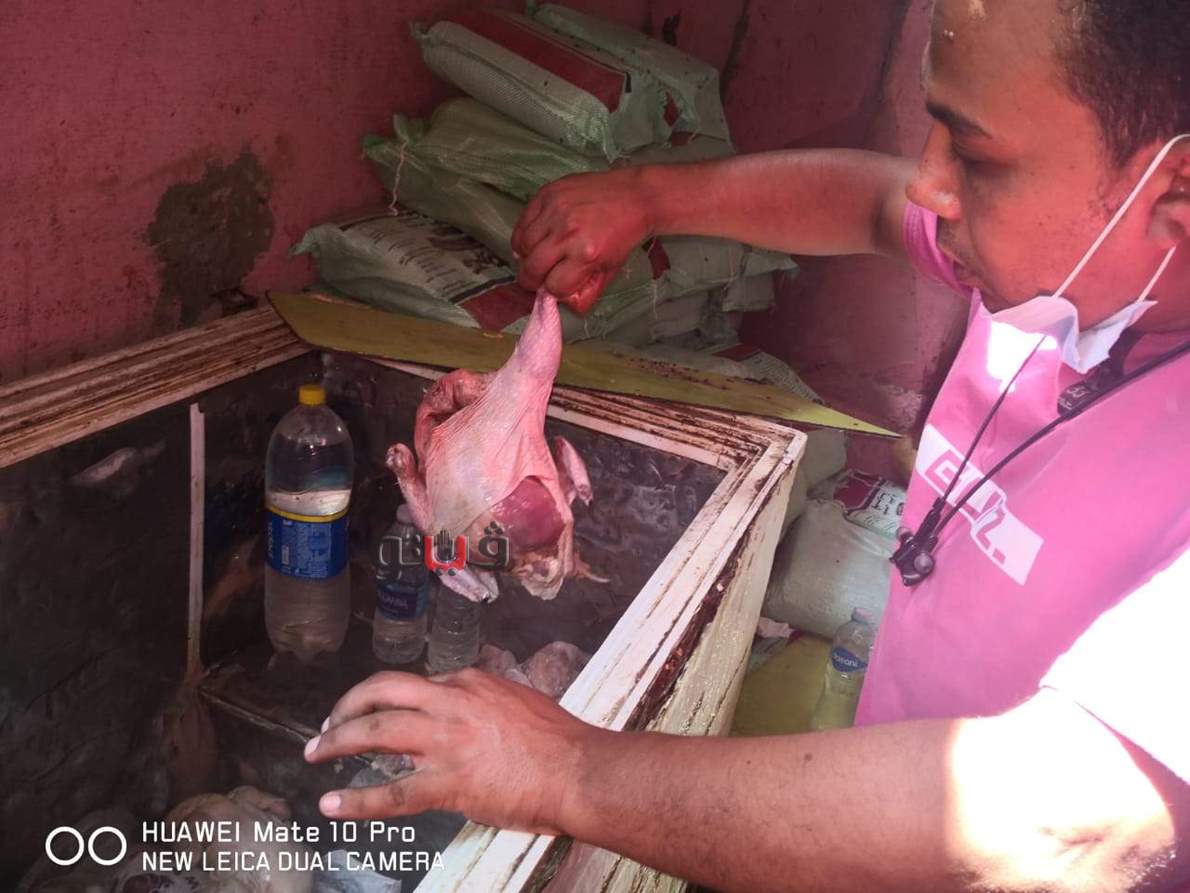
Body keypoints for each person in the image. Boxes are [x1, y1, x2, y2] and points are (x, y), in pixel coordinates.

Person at [305, 0, 1190, 889]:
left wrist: (564, 769)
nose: (930, 184)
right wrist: (651, 199)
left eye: (976, 154)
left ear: (1177, 187)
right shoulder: (1062, 266)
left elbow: (1063, 825)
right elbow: (875, 203)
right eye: (936, 130)